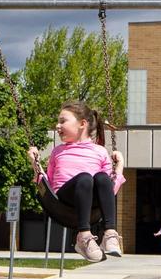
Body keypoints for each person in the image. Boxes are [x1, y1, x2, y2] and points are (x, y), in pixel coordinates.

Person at [28, 100, 126, 262]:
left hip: (92, 207)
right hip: (63, 201)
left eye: (62, 121)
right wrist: (35, 164)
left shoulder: (100, 152)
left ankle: (109, 234)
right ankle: (83, 237)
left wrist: (120, 165)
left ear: (82, 124)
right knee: (85, 178)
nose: (57, 126)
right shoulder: (57, 151)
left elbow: (108, 189)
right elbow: (48, 184)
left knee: (102, 178)